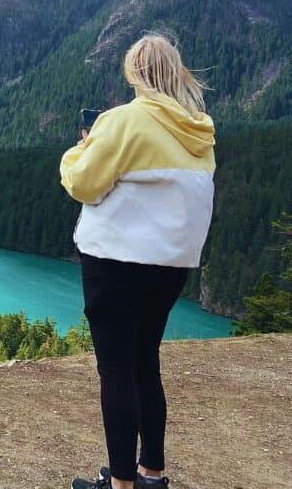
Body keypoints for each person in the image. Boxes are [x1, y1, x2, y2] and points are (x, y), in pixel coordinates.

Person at [59, 33, 216, 489]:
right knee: (145, 359)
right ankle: (152, 472)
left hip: (117, 262)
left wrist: (81, 147)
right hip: (172, 266)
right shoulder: (199, 132)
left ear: (134, 73)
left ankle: (122, 483)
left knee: (116, 369)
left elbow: (85, 183)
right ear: (175, 72)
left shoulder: (123, 121)